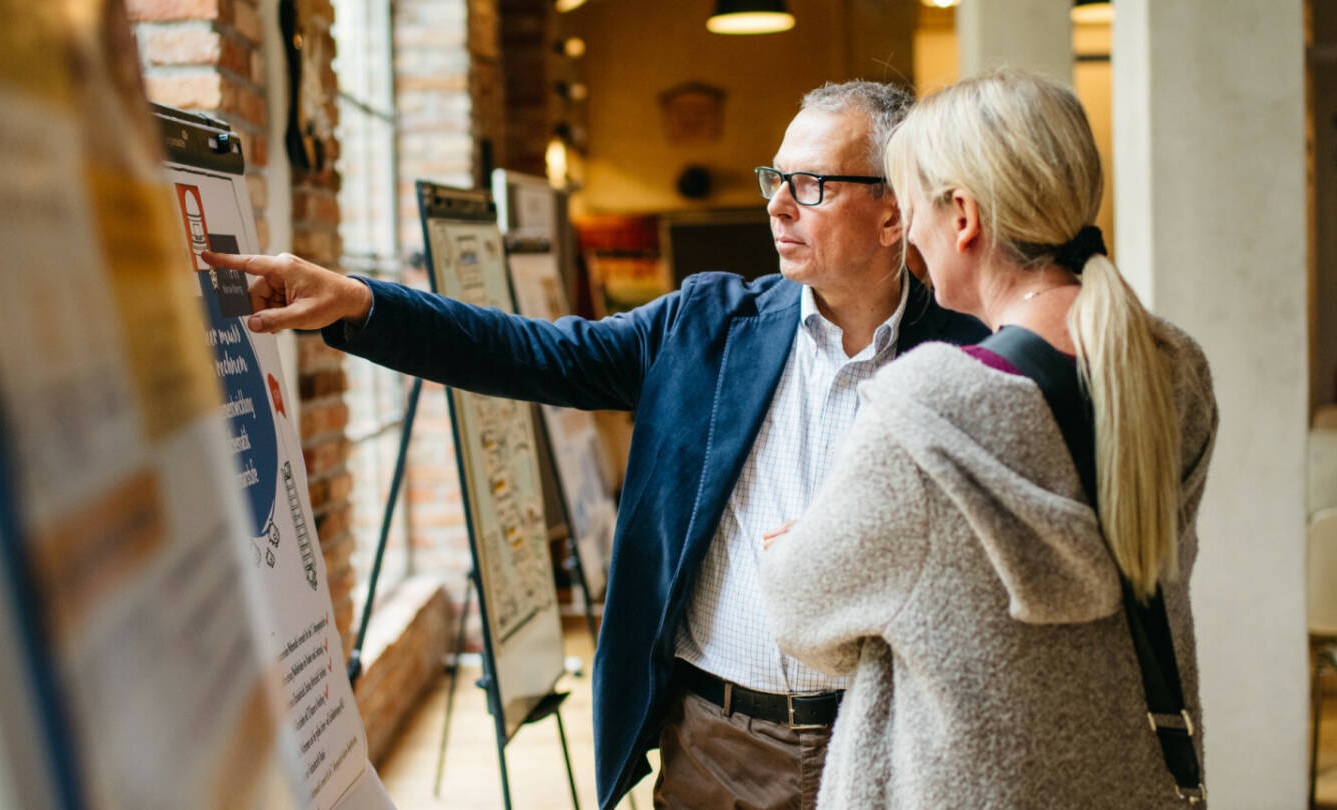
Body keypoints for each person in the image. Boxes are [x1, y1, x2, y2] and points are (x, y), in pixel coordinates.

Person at [202, 79, 988, 810]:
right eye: (772, 180)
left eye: (810, 185)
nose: (779, 207)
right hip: (717, 749)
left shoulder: (969, 359)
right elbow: (529, 351)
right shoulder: (707, 326)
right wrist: (361, 304)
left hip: (889, 741)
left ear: (894, 213)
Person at [759, 69, 1218, 808]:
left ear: (963, 217)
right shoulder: (1173, 371)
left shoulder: (930, 407)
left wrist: (807, 539)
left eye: (912, 212)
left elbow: (801, 617)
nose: (911, 238)